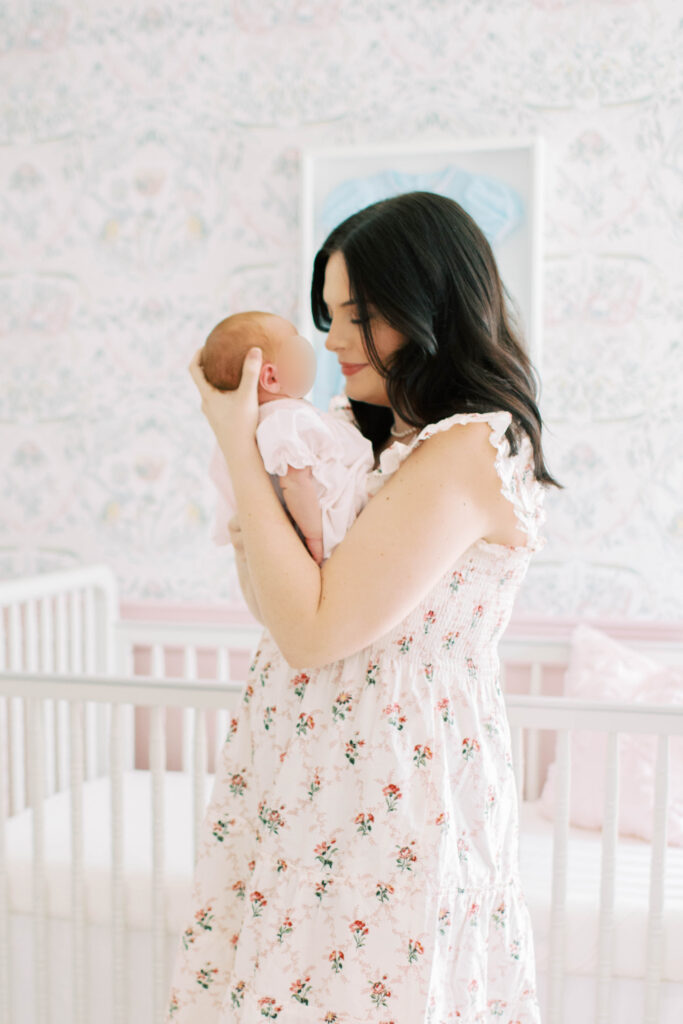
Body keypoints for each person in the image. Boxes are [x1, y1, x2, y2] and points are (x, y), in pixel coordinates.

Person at [167, 190, 561, 1023]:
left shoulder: (466, 450)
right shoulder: (361, 431)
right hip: (301, 766)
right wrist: (259, 448)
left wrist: (239, 445)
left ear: (428, 310)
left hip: (387, 777)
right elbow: (276, 605)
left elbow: (314, 632)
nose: (333, 340)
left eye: (359, 315)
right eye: (328, 315)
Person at [201, 310, 374, 564]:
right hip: (326, 520)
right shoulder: (281, 420)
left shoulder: (262, 423)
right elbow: (295, 482)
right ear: (271, 377)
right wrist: (315, 535)